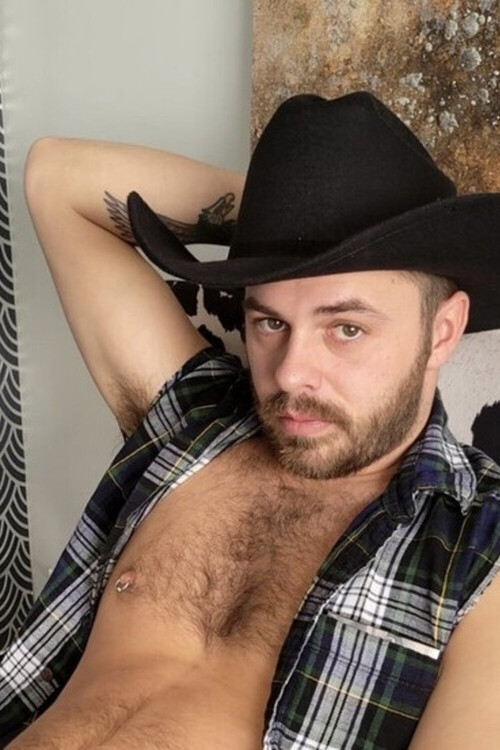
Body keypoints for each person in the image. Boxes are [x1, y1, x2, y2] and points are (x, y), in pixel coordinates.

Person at [1, 91, 500, 750]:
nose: (291, 373)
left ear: (443, 330)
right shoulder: (195, 417)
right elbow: (55, 177)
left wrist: (364, 232)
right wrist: (287, 219)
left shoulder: (481, 551)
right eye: (269, 322)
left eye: (346, 328)